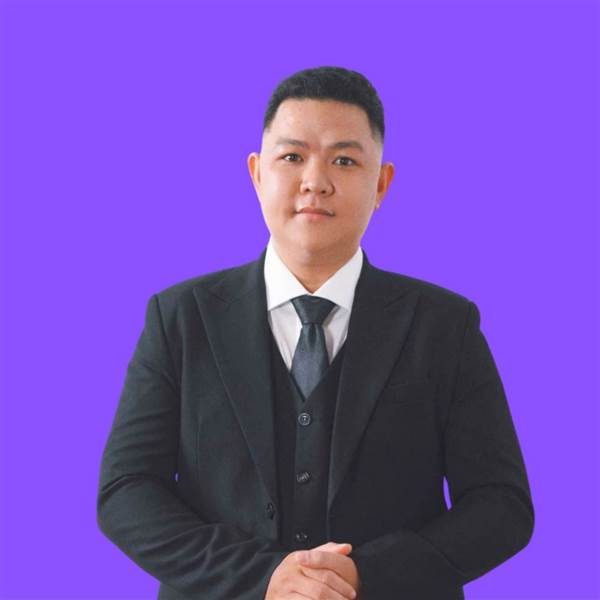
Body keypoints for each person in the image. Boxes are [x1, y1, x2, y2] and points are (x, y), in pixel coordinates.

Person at [96, 65, 534, 600]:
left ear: (381, 183)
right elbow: (125, 492)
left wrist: (365, 575)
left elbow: (502, 505)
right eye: (292, 157)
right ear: (257, 174)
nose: (315, 181)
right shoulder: (180, 318)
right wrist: (263, 577)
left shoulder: (446, 326)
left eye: (344, 160)